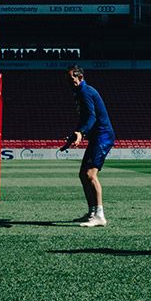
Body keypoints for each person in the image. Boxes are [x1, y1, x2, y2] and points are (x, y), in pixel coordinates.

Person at [62, 64, 115, 226]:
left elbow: (91, 117)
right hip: (97, 136)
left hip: (102, 136)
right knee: (83, 174)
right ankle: (92, 212)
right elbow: (84, 118)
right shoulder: (79, 92)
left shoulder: (85, 92)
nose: (69, 82)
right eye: (67, 80)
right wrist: (75, 134)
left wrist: (82, 132)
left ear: (80, 77)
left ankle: (99, 215)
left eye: (72, 79)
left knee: (90, 175)